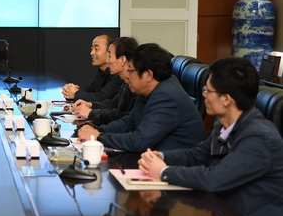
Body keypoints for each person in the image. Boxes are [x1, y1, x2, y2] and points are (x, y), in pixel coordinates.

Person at [138, 56, 283, 216]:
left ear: (226, 99)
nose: (203, 94)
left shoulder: (258, 137)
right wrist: (160, 157)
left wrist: (164, 172)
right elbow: (198, 154)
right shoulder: (226, 124)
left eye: (208, 90)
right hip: (227, 214)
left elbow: (215, 178)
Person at [77, 43, 206, 152]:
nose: (127, 76)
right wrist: (98, 130)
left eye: (130, 71)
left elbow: (140, 141)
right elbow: (129, 122)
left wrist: (98, 137)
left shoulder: (167, 97)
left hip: (175, 164)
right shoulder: (148, 88)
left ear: (148, 75)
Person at [72, 37, 138, 125]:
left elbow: (125, 116)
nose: (107, 60)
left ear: (122, 60)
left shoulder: (135, 84)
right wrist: (90, 104)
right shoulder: (125, 82)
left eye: (110, 56)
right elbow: (112, 104)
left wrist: (91, 113)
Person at [62, 34, 123, 102]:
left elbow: (103, 98)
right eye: (92, 49)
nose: (92, 53)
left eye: (96, 49)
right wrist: (70, 91)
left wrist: (75, 93)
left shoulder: (118, 74)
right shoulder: (101, 71)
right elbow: (91, 89)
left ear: (109, 51)